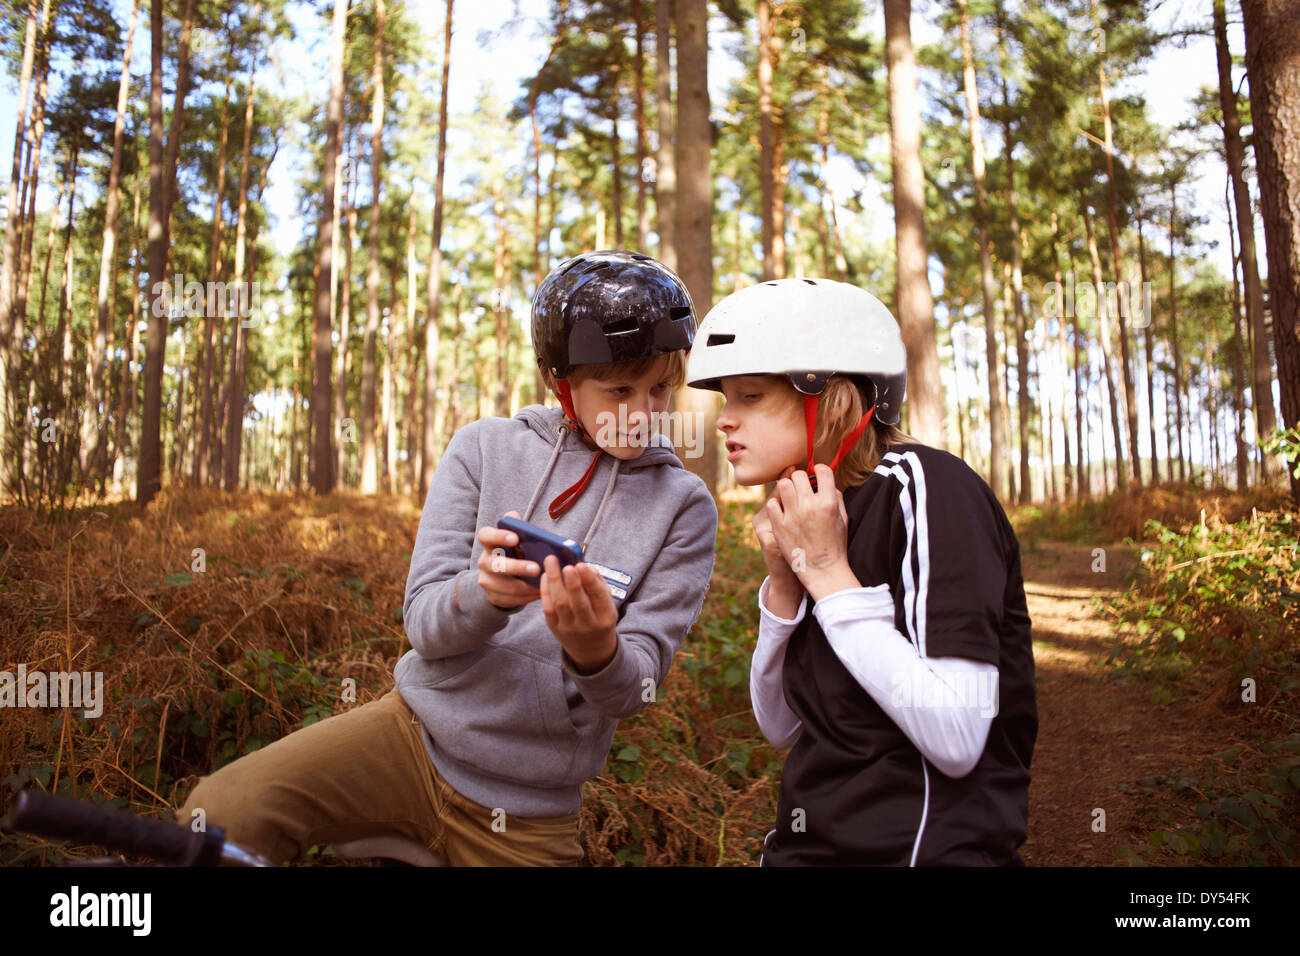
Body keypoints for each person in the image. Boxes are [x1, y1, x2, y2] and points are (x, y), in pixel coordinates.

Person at [178, 250, 718, 866]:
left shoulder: (684, 507)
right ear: (560, 382)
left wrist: (597, 651)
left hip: (530, 808)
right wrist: (482, 594)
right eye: (620, 390)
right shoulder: (484, 450)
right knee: (222, 813)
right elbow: (425, 624)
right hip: (411, 739)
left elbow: (635, 687)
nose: (643, 416)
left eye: (660, 391)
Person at [686, 277, 1036, 866]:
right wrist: (787, 587)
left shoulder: (928, 489)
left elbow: (958, 737)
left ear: (831, 398)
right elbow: (782, 726)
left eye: (749, 396)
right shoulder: (813, 512)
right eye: (726, 399)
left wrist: (828, 572)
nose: (724, 420)